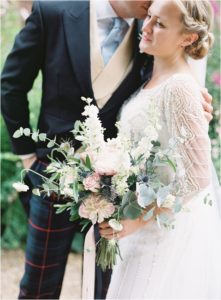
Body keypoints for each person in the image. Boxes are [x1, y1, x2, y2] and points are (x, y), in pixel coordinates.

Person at [1, 0, 213, 299]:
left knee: (108, 289)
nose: (153, 6)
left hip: (119, 191)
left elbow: (169, 86)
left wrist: (194, 102)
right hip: (52, 175)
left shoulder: (151, 31)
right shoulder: (53, 11)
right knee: (38, 287)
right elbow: (11, 84)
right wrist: (29, 157)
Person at [99, 0, 221, 298]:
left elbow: (198, 176)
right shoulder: (150, 77)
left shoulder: (180, 88)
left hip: (163, 234)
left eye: (161, 24)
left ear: (188, 38)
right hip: (139, 228)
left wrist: (137, 220)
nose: (148, 28)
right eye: (150, 18)